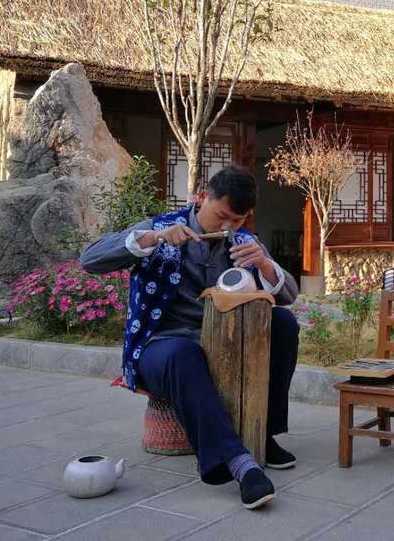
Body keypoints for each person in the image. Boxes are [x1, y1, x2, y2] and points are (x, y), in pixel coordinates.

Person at [80, 164, 300, 510]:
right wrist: (151, 240)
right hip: (162, 347)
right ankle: (239, 463)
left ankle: (264, 435)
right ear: (202, 198)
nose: (228, 227)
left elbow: (289, 295)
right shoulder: (162, 227)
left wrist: (264, 265)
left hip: (224, 341)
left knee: (283, 323)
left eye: (238, 220)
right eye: (222, 216)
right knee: (183, 353)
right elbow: (89, 259)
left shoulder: (244, 242)